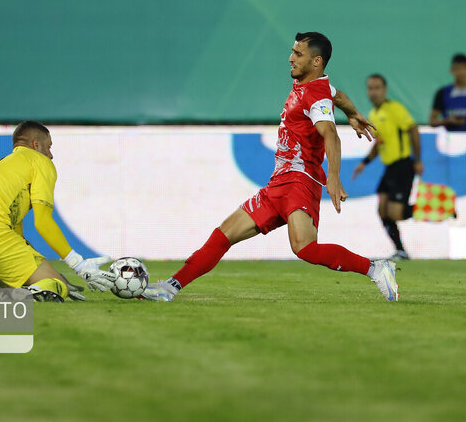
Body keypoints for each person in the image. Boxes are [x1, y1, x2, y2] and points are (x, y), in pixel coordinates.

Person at [143, 32, 399, 303]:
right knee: (223, 234)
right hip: (279, 183)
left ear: (316, 62)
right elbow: (339, 95)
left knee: (304, 248)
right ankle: (169, 287)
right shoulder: (315, 86)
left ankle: (376, 268)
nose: (290, 58)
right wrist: (352, 113)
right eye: (292, 51)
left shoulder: (315, 96)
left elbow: (331, 135)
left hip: (300, 181)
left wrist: (334, 178)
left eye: (298, 54)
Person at [0, 120, 115, 302]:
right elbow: (43, 222)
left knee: (50, 280)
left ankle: (10, 292)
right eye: (48, 147)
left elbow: (14, 235)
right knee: (56, 285)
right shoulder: (40, 161)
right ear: (36, 145)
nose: (51, 155)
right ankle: (27, 293)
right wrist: (79, 264)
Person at [352, 74, 423, 260]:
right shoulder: (373, 114)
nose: (373, 92)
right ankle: (400, 250)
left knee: (395, 213)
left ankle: (434, 207)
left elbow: (413, 129)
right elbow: (379, 143)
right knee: (382, 211)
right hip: (389, 168)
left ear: (384, 90)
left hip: (403, 165)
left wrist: (418, 160)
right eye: (370, 88)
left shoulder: (395, 109)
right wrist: (364, 163)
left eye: (377, 88)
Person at [429, 53, 466, 131]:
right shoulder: (443, 92)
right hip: (451, 139)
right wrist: (446, 121)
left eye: (463, 68)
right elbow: (432, 121)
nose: (461, 72)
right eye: (457, 69)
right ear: (452, 71)